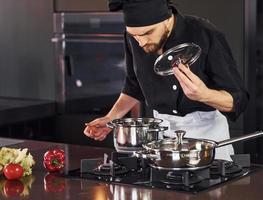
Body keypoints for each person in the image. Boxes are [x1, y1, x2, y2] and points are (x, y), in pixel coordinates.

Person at [84, 0, 249, 161]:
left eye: (147, 33)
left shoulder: (204, 33)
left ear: (167, 19)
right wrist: (111, 118)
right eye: (134, 36)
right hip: (159, 140)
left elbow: (238, 100)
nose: (141, 42)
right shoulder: (134, 36)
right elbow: (134, 86)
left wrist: (203, 95)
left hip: (206, 139)